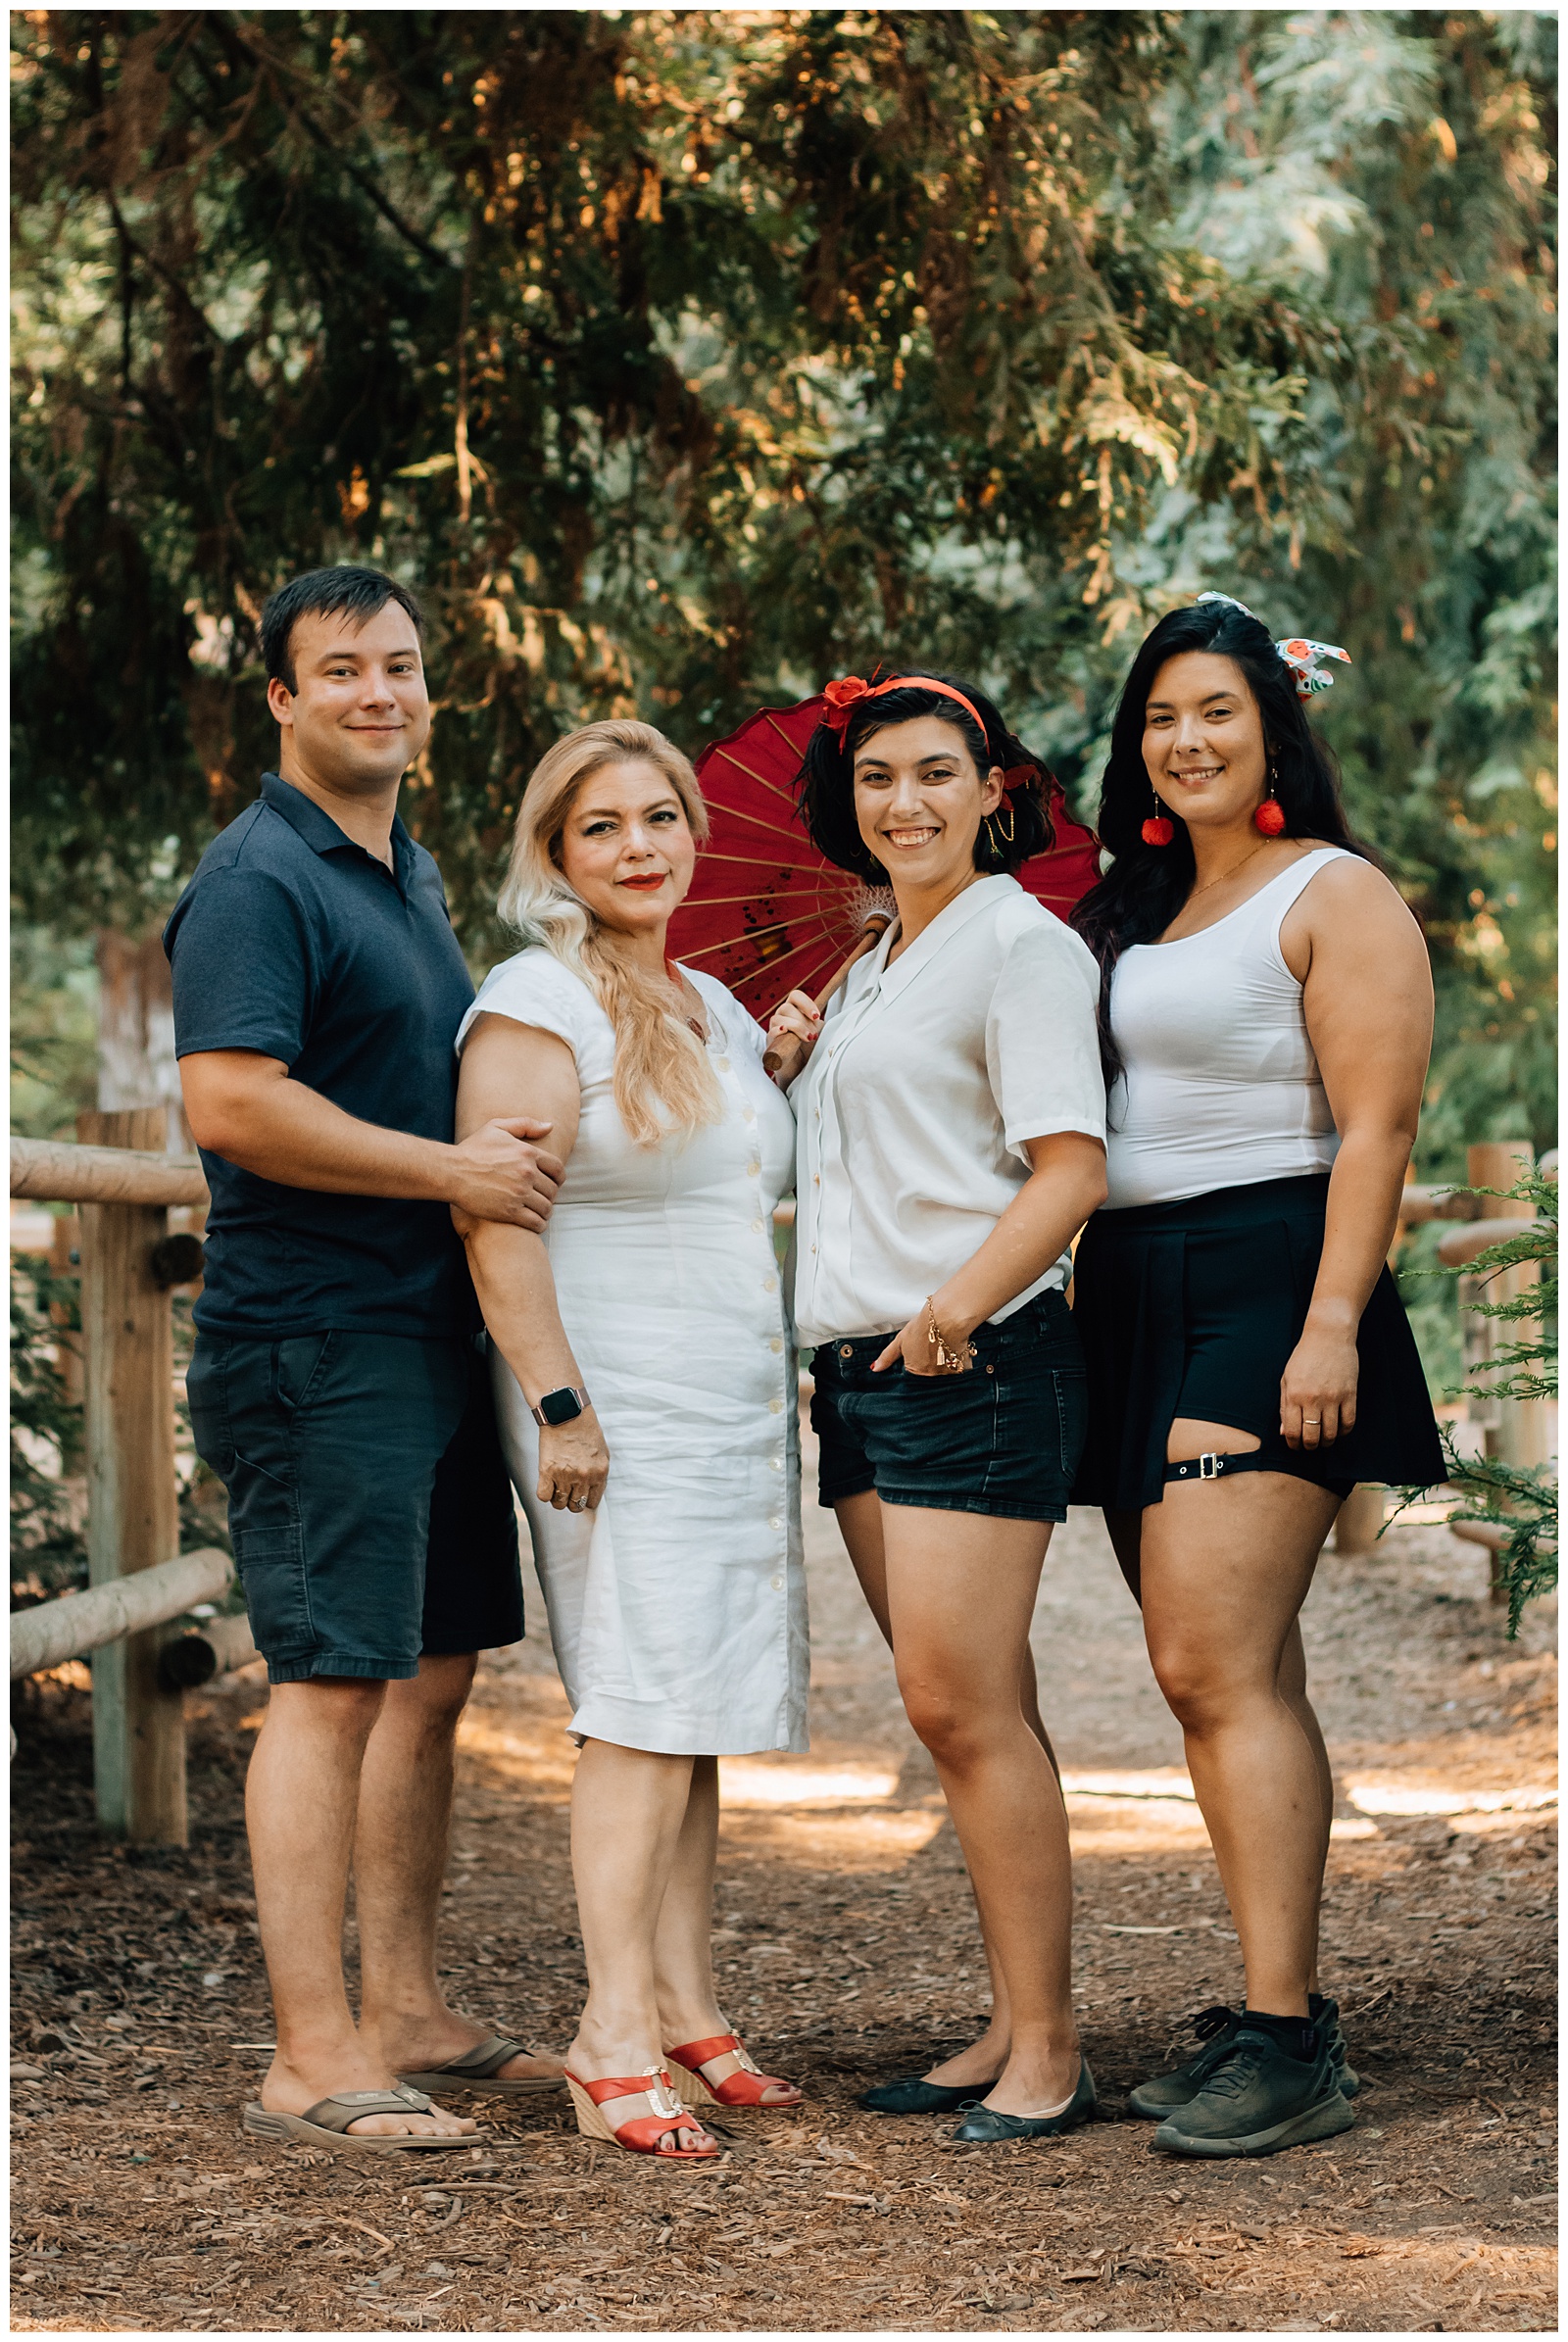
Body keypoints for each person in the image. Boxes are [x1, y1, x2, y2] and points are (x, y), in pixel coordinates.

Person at [167, 566, 568, 2154]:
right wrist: (454, 1175)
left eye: (400, 666)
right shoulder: (260, 876)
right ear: (280, 697)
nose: (379, 693)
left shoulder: (402, 869)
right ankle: (308, 2049)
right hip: (317, 1337)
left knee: (433, 1673)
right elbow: (233, 1104)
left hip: (424, 1331)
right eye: (342, 671)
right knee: (332, 1685)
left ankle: (402, 2005)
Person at [1069, 591, 1446, 2160]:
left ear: (1272, 725)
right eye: (1161, 715)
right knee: (1240, 1667)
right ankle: (1275, 2001)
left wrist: (1331, 1321)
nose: (1187, 739)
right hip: (1134, 1286)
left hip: (1277, 1273)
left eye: (1217, 709)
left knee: (1205, 1660)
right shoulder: (1132, 910)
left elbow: (1377, 1127)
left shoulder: (1332, 890)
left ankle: (1287, 2040)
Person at [454, 718, 808, 2164]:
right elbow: (491, 1213)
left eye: (659, 816)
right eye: (601, 826)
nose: (640, 845)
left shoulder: (713, 1002)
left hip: (727, 1393)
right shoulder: (536, 1004)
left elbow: (730, 1177)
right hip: (615, 1393)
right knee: (637, 1709)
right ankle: (607, 2034)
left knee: (697, 1706)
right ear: (555, 852)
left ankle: (684, 1999)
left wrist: (781, 1062)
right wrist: (558, 1402)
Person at [766, 670, 1107, 2145]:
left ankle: (1052, 2051)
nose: (900, 801)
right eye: (875, 779)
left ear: (991, 791)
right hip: (854, 1375)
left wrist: (954, 1311)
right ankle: (1005, 2018)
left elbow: (1068, 1165)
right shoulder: (868, 965)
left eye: (930, 774)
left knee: (957, 1705)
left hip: (964, 1357)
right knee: (973, 1708)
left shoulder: (1019, 948)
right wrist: (794, 1064)